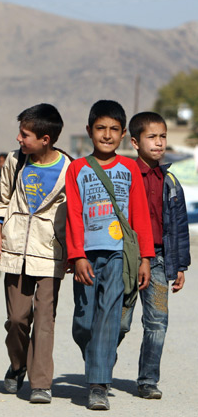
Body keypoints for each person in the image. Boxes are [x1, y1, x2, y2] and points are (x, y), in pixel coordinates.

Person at [65, 100, 155, 410]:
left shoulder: (130, 168)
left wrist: (145, 257)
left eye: (114, 129)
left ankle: (98, 385)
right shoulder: (77, 169)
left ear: (123, 133)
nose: (107, 134)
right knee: (84, 322)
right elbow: (74, 214)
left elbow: (140, 215)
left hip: (121, 254)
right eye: (101, 128)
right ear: (89, 131)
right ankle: (96, 358)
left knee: (108, 319)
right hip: (87, 255)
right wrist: (76, 256)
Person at [0, 103, 71, 404]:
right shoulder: (14, 161)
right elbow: (2, 199)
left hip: (50, 253)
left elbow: (74, 214)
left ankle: (41, 383)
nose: (18, 139)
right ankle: (18, 364)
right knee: (17, 319)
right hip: (14, 250)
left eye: (25, 135)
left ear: (45, 139)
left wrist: (75, 252)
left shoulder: (68, 168)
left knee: (45, 319)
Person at [119, 111, 190, 399]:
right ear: (135, 142)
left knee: (157, 321)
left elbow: (180, 226)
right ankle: (100, 370)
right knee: (120, 321)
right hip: (127, 258)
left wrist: (180, 264)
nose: (159, 142)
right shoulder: (124, 175)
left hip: (159, 259)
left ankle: (148, 380)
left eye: (163, 137)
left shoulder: (170, 181)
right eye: (152, 137)